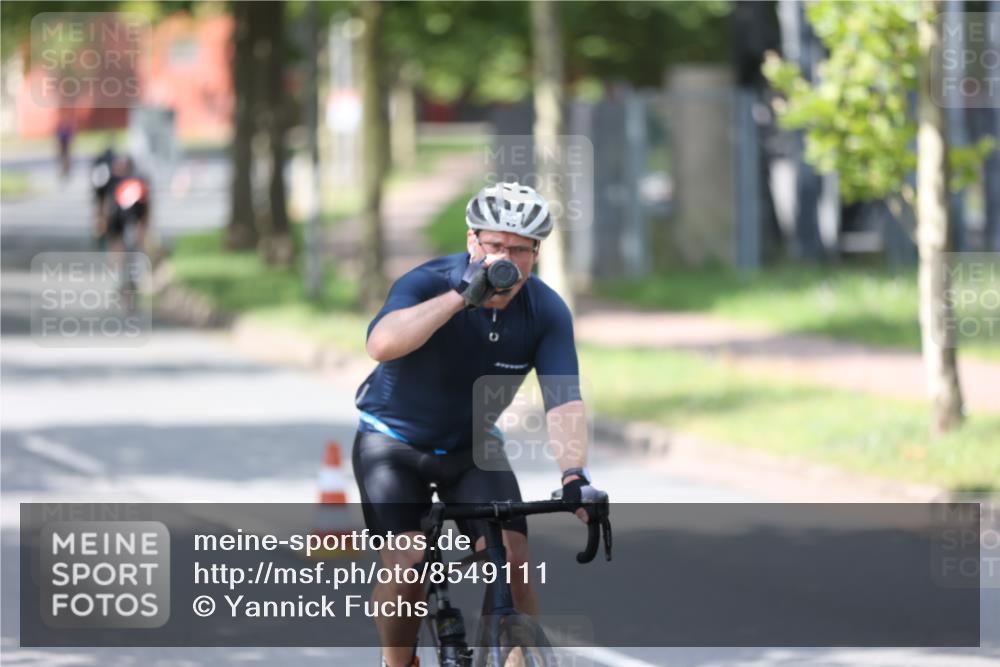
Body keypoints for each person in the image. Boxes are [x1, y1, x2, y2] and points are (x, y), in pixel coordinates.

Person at [353, 181, 603, 667]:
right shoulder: (427, 282)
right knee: (407, 566)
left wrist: (574, 474)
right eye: (494, 245)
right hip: (392, 443)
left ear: (535, 254)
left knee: (514, 563)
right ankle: (397, 662)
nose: (504, 258)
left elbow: (563, 399)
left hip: (472, 449)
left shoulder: (546, 311)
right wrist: (461, 298)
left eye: (518, 249)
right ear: (473, 241)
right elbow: (380, 345)